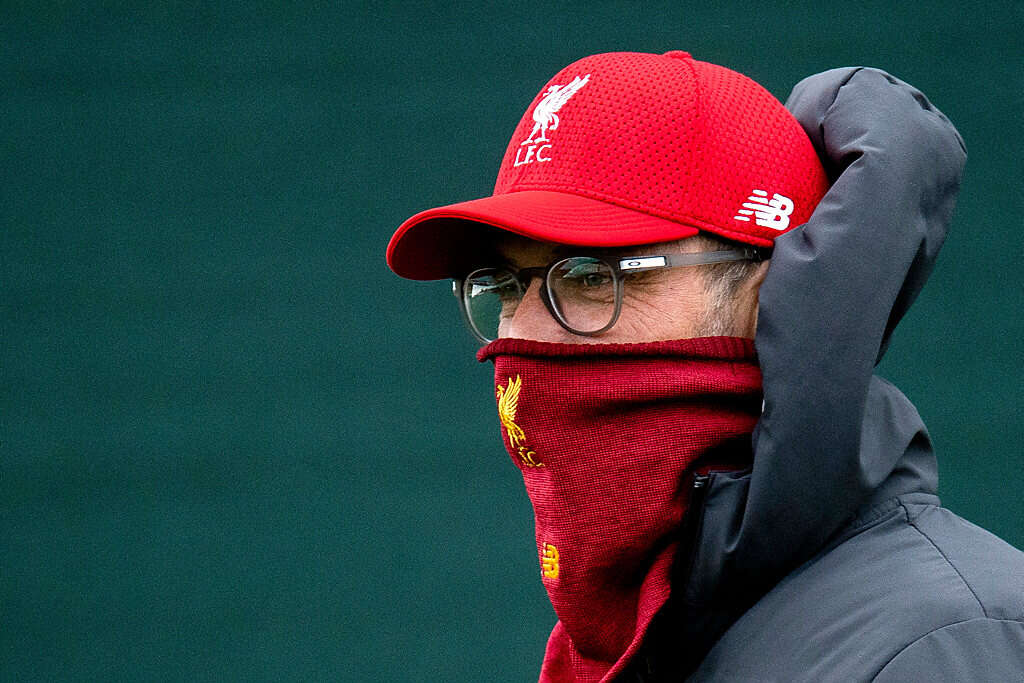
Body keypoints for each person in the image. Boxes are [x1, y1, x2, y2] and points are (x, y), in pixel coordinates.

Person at [385, 51, 1024, 681]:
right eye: (502, 286)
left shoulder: (947, 645)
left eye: (591, 277)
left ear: (773, 299)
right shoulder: (628, 642)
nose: (522, 333)